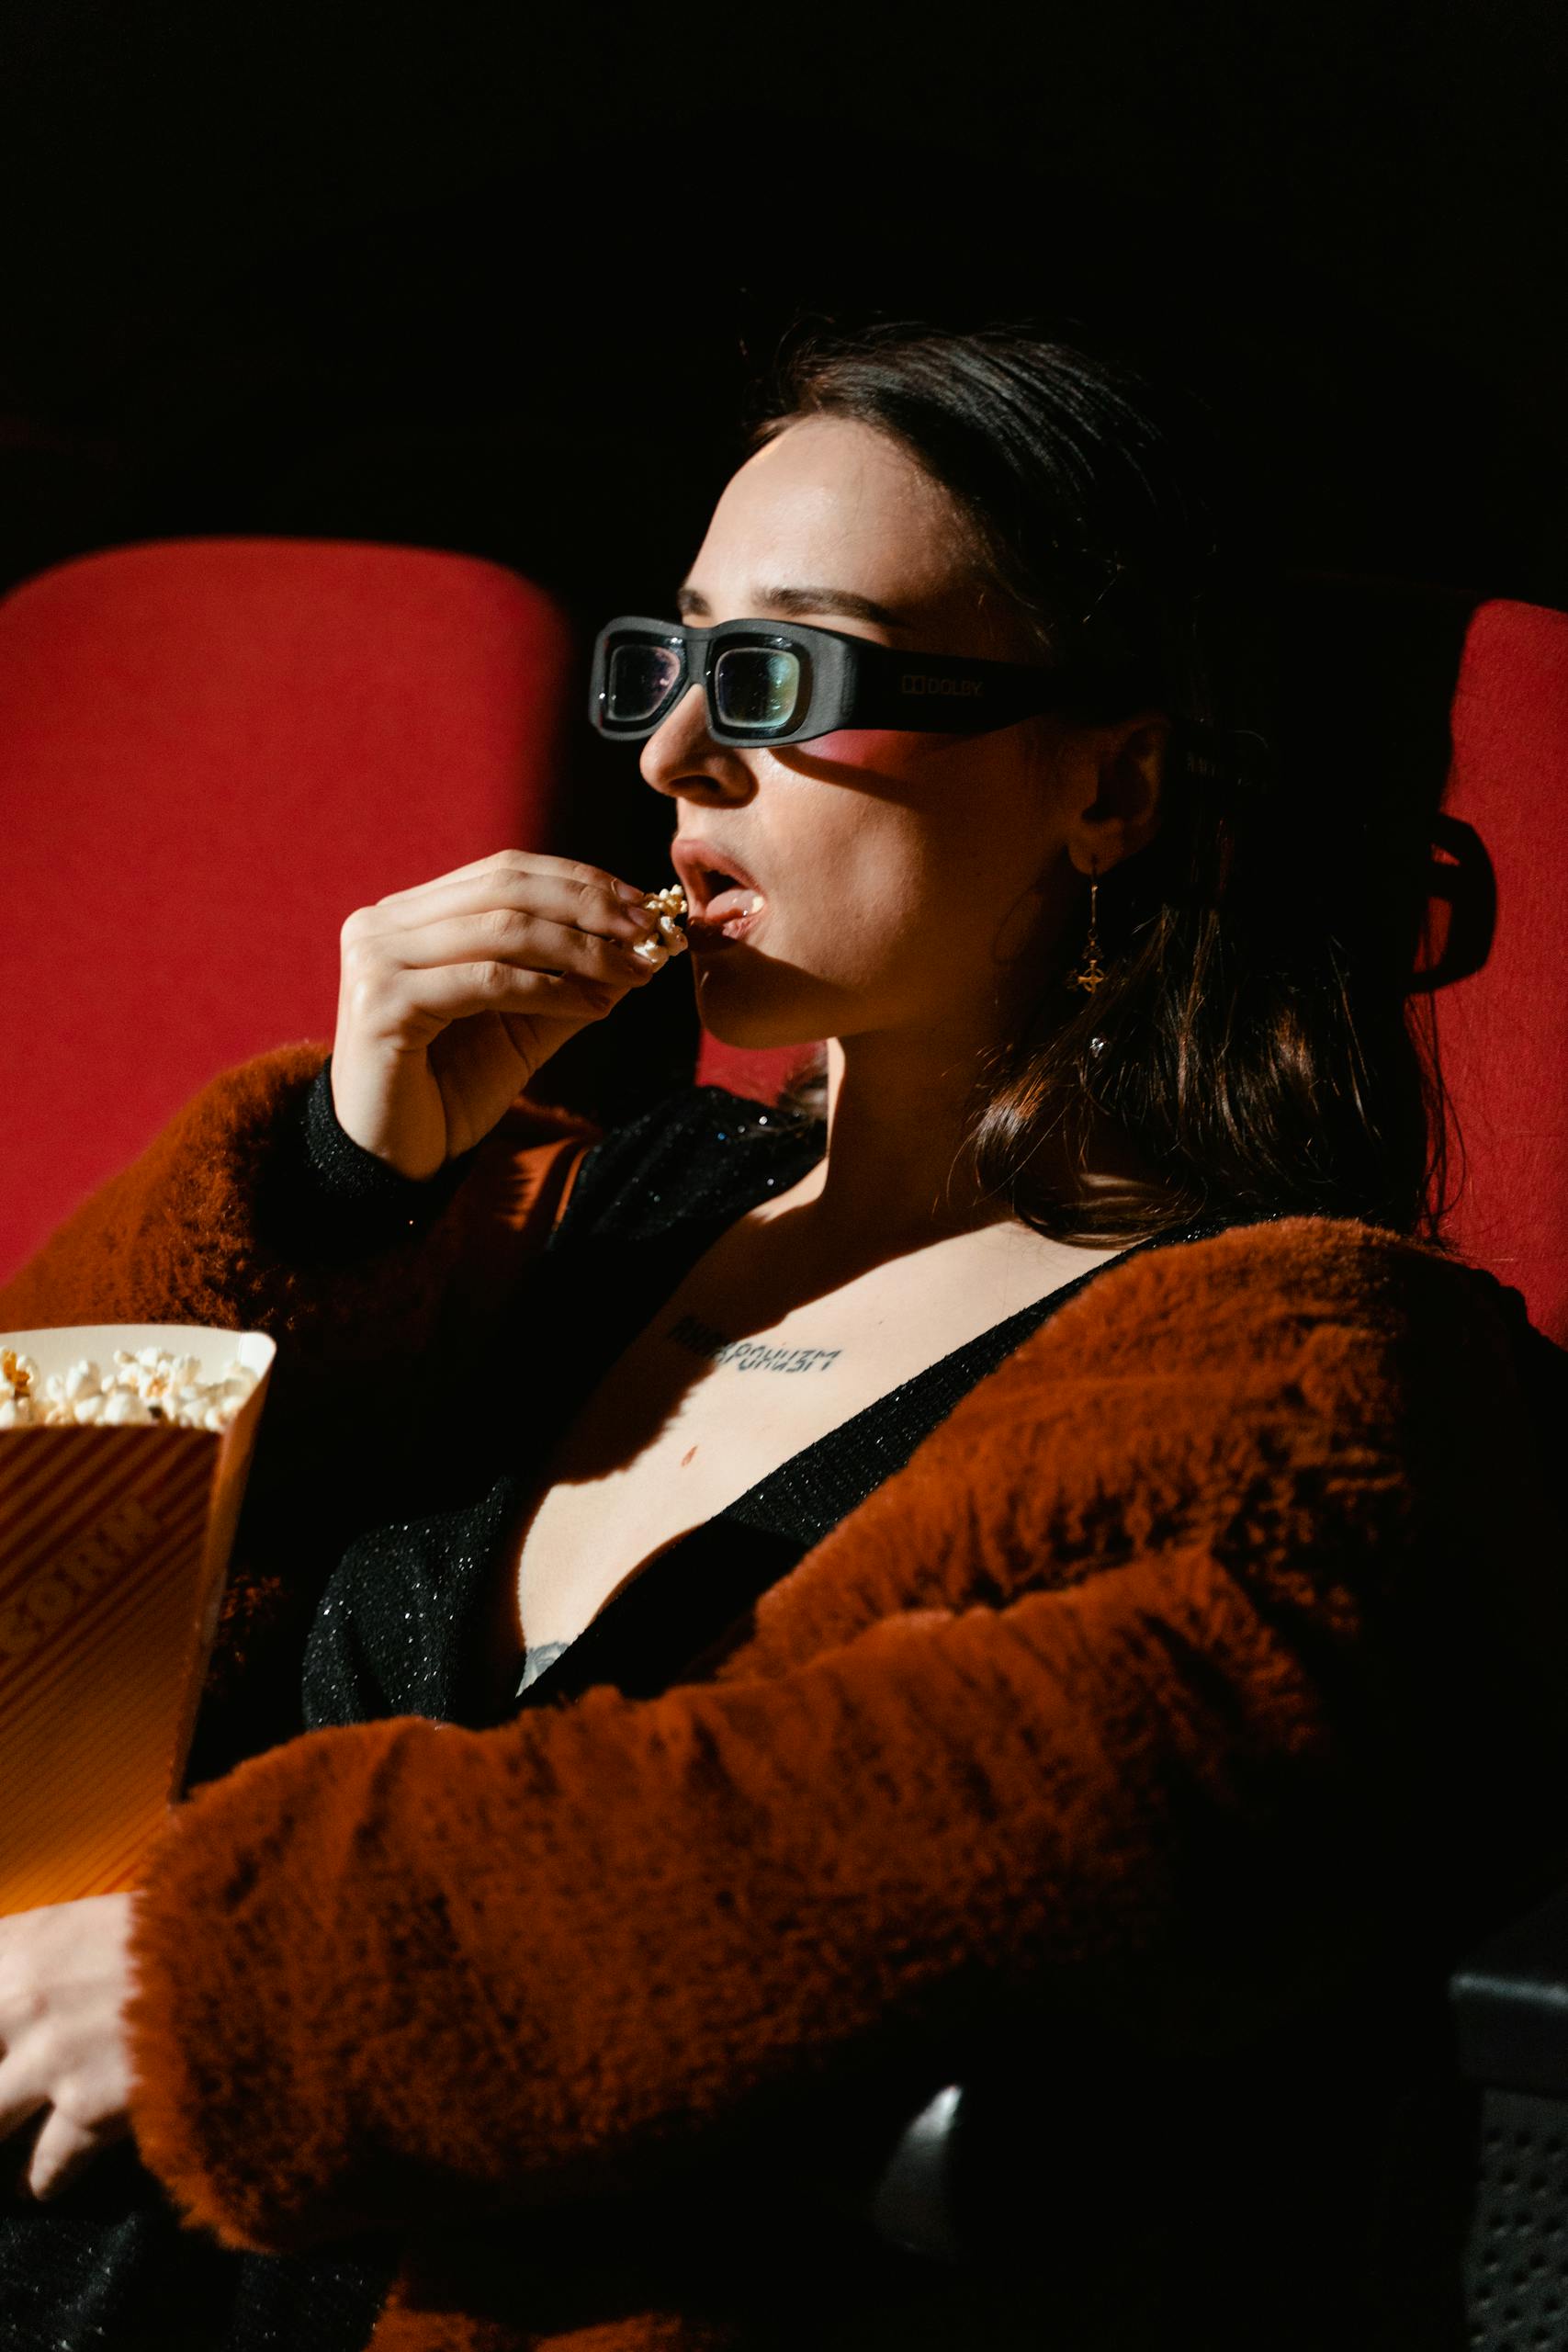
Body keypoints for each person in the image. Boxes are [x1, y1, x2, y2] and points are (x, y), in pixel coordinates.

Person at [2, 319, 1565, 2352]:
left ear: (1107, 783)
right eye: (667, 661)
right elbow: (34, 1574)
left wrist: (230, 1986)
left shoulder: (1292, 1362)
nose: (668, 758)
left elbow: (974, 1822)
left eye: (781, 678)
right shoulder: (569, 1206)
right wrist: (329, 1175)